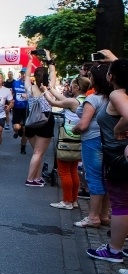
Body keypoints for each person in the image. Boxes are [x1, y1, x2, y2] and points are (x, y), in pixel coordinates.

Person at [86, 55, 128, 272]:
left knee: (120, 204)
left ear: (111, 76)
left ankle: (114, 249)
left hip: (118, 157)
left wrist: (119, 128)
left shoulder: (117, 94)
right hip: (120, 155)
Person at [72, 63, 112, 227]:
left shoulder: (93, 99)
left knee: (94, 178)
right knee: (107, 178)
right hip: (109, 141)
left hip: (92, 141)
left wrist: (74, 129)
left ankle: (93, 217)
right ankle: (104, 215)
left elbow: (83, 125)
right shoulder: (112, 97)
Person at [43, 75, 88, 209]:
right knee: (73, 170)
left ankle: (67, 201)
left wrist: (45, 91)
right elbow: (62, 98)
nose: (70, 87)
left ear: (77, 87)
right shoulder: (84, 100)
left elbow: (53, 102)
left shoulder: (73, 102)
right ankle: (73, 200)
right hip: (78, 138)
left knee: (64, 171)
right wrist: (50, 88)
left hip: (68, 137)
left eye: (73, 85)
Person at [24, 54, 57, 186]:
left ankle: (37, 177)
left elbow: (26, 76)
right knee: (39, 152)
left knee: (36, 153)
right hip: (45, 120)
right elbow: (53, 71)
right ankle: (30, 179)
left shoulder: (30, 89)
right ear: (46, 77)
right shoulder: (49, 89)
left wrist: (30, 61)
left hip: (31, 121)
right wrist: (48, 57)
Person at [11, 67, 30, 154]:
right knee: (16, 127)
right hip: (17, 108)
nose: (23, 75)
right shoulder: (15, 83)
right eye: (22, 73)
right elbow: (12, 94)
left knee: (26, 130)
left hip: (26, 109)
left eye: (25, 74)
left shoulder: (31, 85)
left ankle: (23, 147)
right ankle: (18, 130)